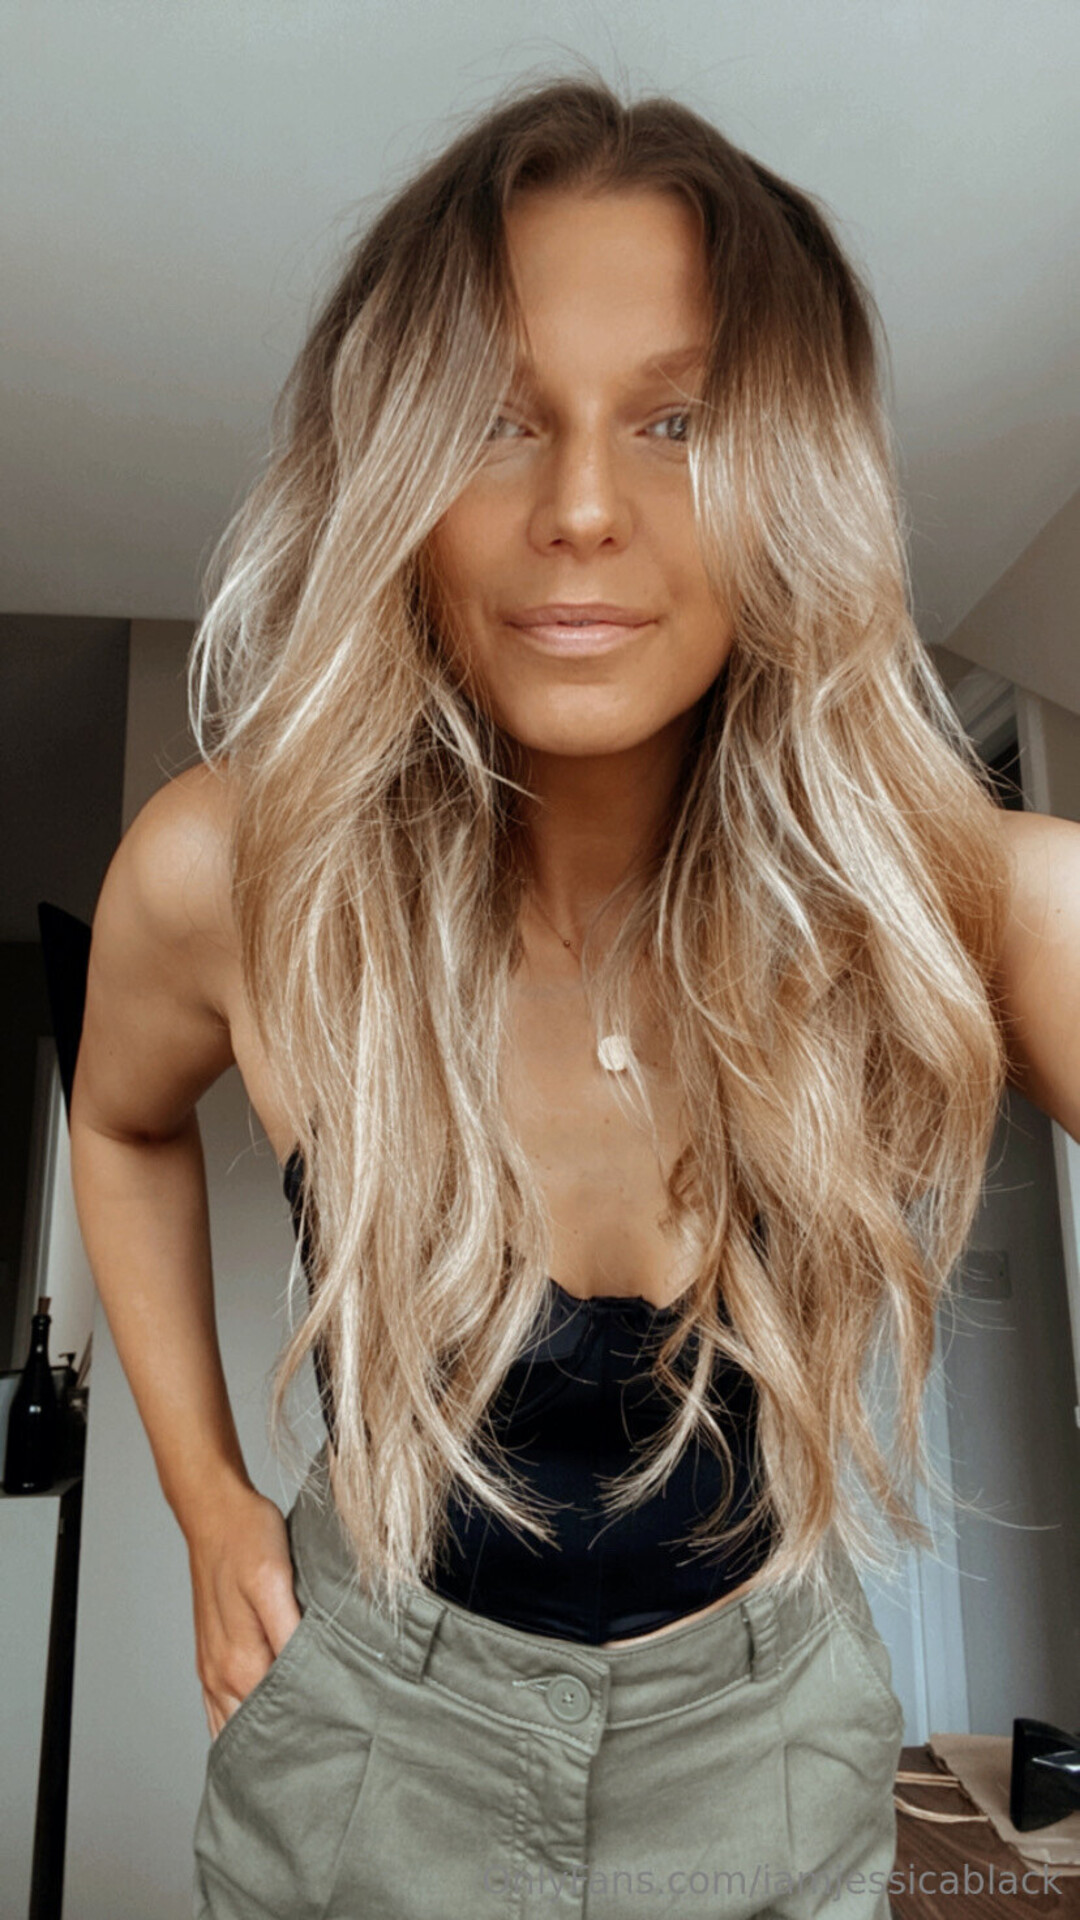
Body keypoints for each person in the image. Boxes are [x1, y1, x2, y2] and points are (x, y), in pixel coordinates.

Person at [70, 76, 1080, 1920]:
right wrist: (206, 1497)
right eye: (493, 418)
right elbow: (118, 1119)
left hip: (771, 1752)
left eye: (681, 421)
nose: (586, 509)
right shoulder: (233, 876)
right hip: (364, 1737)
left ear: (796, 478)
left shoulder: (977, 905)